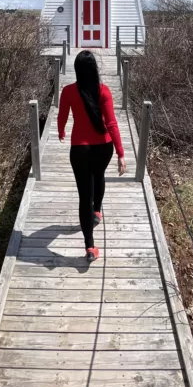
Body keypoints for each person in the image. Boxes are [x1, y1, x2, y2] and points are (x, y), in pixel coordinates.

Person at [57, 50, 126, 262]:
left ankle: (89, 246)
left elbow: (62, 116)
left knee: (83, 196)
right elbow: (112, 123)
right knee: (100, 176)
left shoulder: (68, 91)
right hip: (103, 148)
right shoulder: (104, 91)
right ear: (95, 69)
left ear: (77, 70)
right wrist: (121, 153)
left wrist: (61, 131)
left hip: (80, 150)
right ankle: (97, 211)